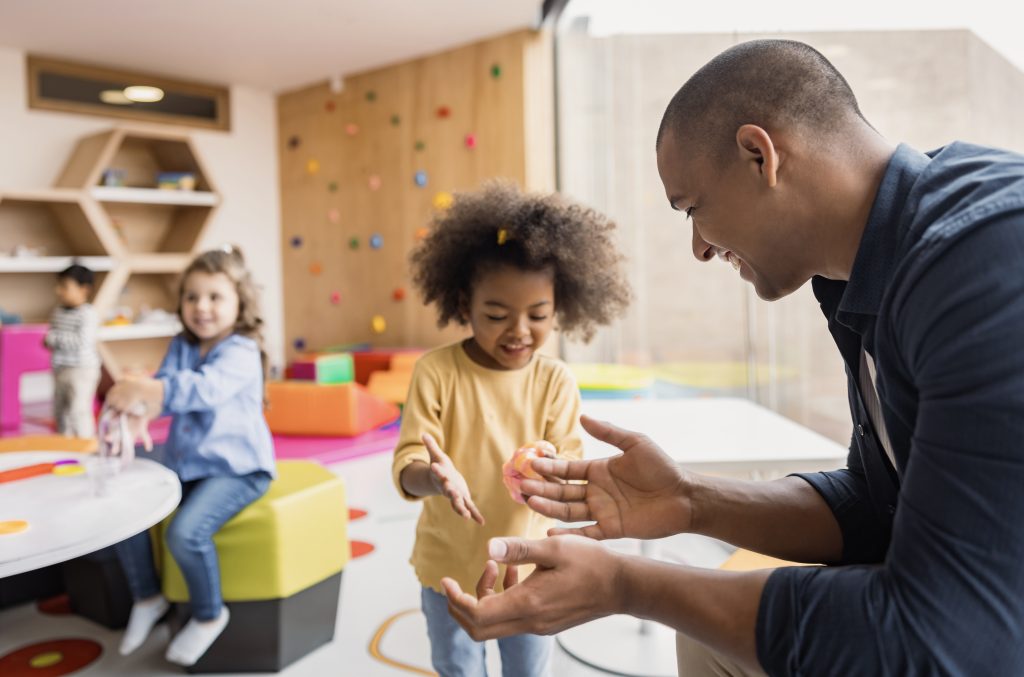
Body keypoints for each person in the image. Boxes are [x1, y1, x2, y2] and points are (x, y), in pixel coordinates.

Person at [441, 39, 1024, 676]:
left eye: (693, 209)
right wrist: (690, 501)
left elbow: (939, 637)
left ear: (759, 155)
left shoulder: (983, 256)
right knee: (706, 640)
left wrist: (625, 586)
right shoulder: (859, 274)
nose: (698, 247)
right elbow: (872, 504)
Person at [393, 182, 630, 677]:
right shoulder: (436, 372)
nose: (519, 330)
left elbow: (570, 470)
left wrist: (548, 470)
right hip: (447, 567)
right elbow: (410, 465)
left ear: (558, 306)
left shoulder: (555, 380)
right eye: (497, 315)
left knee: (527, 670)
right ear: (464, 302)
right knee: (457, 668)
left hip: (529, 566)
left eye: (538, 315)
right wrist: (434, 477)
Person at [105, 246, 275, 667]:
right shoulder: (181, 345)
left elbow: (202, 389)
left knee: (185, 533)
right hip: (187, 462)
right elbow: (162, 392)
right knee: (121, 501)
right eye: (192, 297)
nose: (202, 307)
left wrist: (144, 391)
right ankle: (147, 596)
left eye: (215, 297)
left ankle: (209, 613)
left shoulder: (241, 350)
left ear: (240, 303)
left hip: (238, 470)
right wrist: (136, 415)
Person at [44, 263, 100, 437]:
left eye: (65, 286)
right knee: (61, 412)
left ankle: (86, 447)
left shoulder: (87, 313)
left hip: (81, 370)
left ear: (84, 289)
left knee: (79, 411)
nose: (59, 291)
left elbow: (82, 341)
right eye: (59, 286)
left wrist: (54, 338)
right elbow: (51, 335)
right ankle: (65, 446)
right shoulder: (58, 312)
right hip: (61, 368)